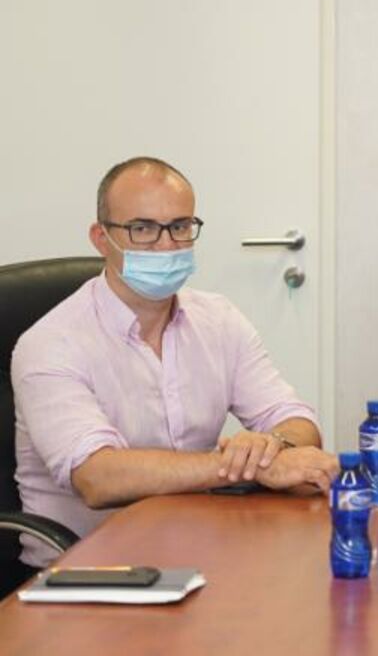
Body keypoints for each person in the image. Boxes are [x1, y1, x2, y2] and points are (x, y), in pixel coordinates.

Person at [12, 157, 338, 568]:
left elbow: (297, 421)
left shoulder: (219, 320)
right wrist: (244, 467)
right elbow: (97, 477)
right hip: (85, 572)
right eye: (143, 229)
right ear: (101, 238)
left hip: (196, 555)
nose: (166, 245)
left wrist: (276, 447)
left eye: (180, 226)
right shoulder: (50, 343)